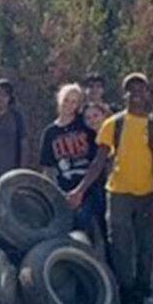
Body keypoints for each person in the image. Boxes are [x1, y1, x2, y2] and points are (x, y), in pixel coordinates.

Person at [67, 73, 153, 304]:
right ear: (124, 94)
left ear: (148, 94)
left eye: (141, 89)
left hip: (147, 194)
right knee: (120, 247)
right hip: (118, 194)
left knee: (145, 247)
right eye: (131, 89)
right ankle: (127, 297)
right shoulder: (114, 123)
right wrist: (80, 189)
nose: (136, 94)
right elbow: (99, 161)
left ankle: (143, 295)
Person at [39, 83, 102, 240]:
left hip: (91, 185)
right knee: (74, 231)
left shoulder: (84, 123)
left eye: (74, 102)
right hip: (65, 189)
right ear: (59, 100)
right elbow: (48, 168)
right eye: (66, 100)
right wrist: (52, 193)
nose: (69, 105)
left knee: (97, 226)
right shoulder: (50, 132)